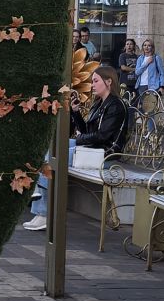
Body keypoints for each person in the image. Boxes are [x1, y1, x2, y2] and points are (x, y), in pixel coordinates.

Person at [21, 65, 126, 231]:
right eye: (92, 81)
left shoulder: (116, 106)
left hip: (104, 156)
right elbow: (86, 132)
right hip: (92, 149)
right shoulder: (99, 103)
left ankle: (42, 211)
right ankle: (39, 204)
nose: (92, 85)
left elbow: (102, 137)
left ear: (108, 81)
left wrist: (79, 139)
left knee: (56, 157)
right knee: (53, 146)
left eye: (96, 81)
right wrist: (76, 113)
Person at [133, 37, 164, 106]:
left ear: (152, 47)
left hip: (153, 86)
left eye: (149, 45)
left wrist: (162, 86)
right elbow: (137, 72)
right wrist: (146, 63)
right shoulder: (140, 58)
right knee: (142, 108)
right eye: (145, 45)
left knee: (150, 108)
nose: (146, 47)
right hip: (141, 86)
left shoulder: (156, 58)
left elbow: (162, 73)